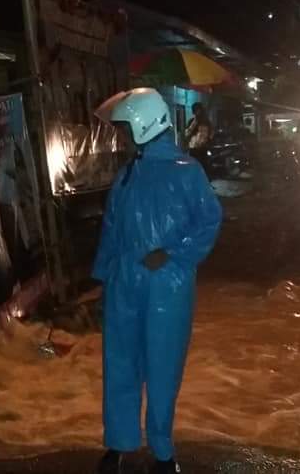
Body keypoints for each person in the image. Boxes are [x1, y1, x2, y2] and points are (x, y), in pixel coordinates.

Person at [93, 88, 223, 474]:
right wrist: (103, 278)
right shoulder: (127, 175)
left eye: (123, 128)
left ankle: (163, 450)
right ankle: (119, 442)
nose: (119, 137)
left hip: (167, 285)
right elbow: (112, 230)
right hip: (125, 284)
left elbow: (210, 221)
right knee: (120, 362)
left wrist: (173, 252)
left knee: (163, 366)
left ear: (142, 123)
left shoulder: (187, 172)